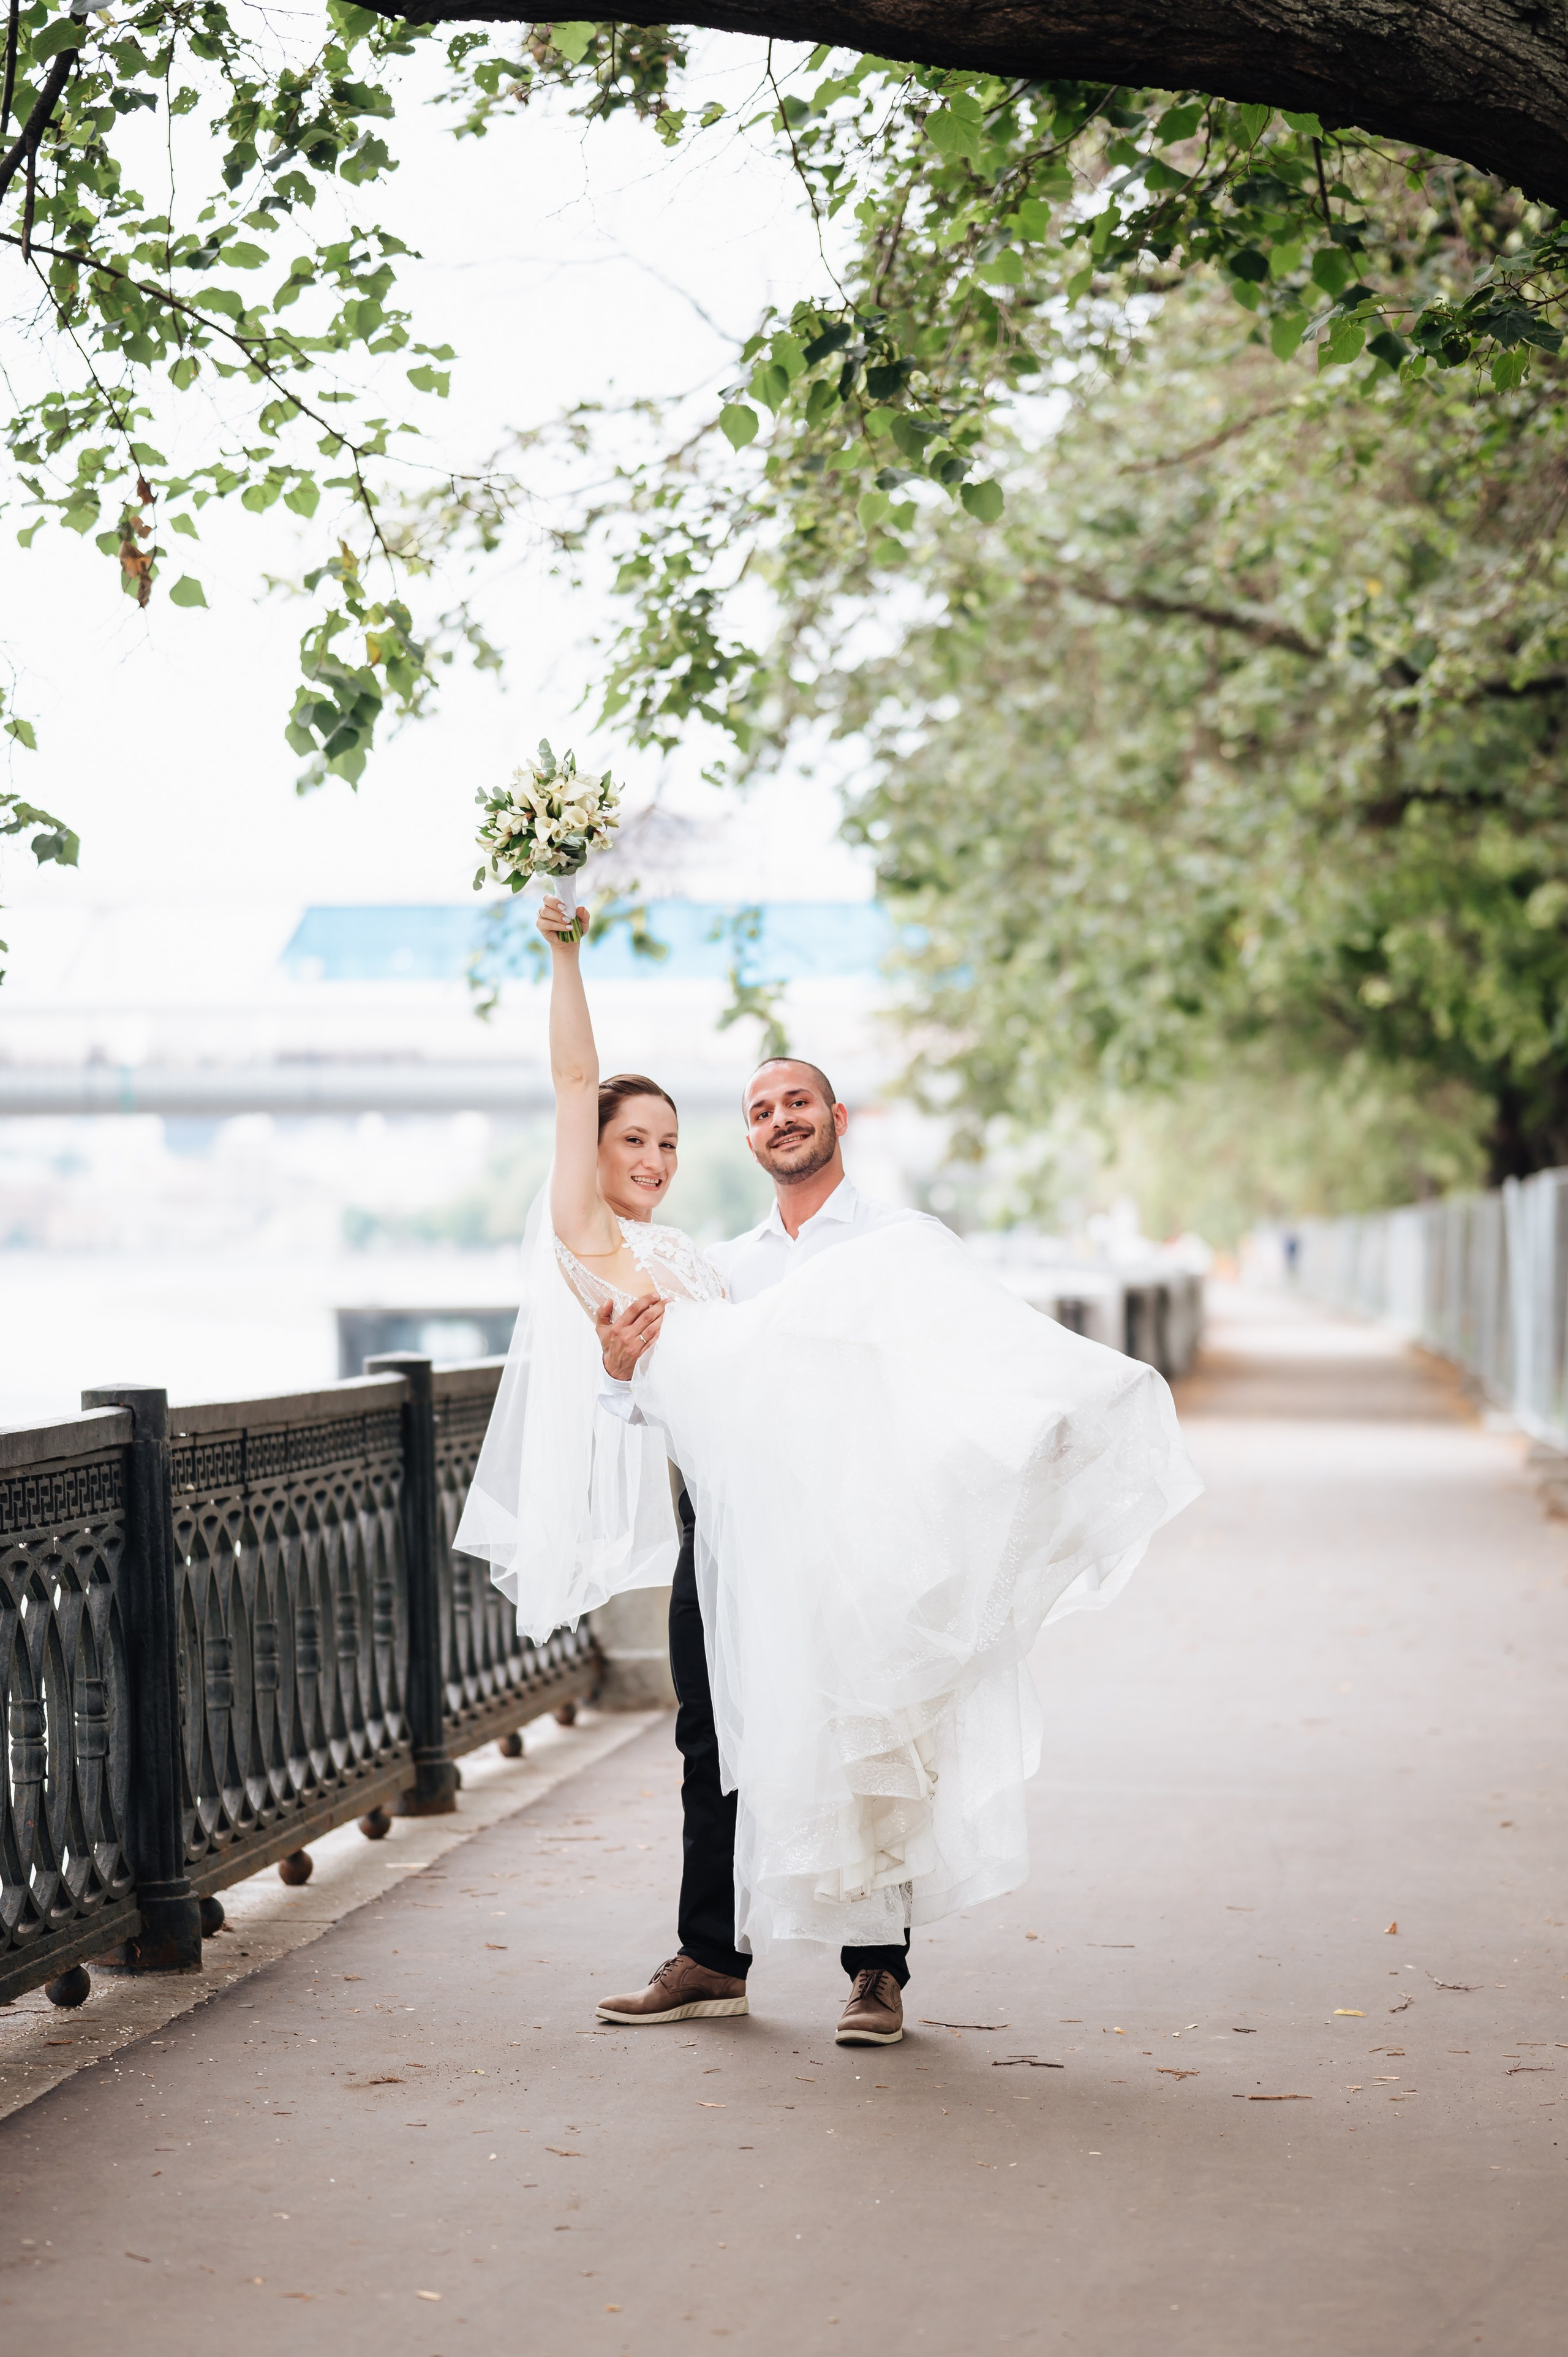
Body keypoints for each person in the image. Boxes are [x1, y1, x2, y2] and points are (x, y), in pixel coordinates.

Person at [456, 891, 1203, 2048]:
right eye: (632, 1139)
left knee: (875, 1723)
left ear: (833, 1118)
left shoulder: (734, 1256)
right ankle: (713, 1956)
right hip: (736, 1522)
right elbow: (579, 1110)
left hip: (846, 1512)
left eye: (668, 1141)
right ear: (589, 1149)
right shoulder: (619, 1239)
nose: (654, 1158)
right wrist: (565, 958)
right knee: (718, 1738)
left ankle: (876, 1975)